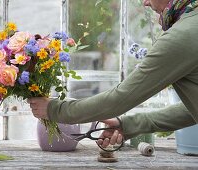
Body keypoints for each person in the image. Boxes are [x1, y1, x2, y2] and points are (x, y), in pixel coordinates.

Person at [29, 0, 198, 148]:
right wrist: (127, 125)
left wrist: (55, 109)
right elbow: (190, 111)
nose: (145, 2)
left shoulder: (181, 37)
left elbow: (120, 99)